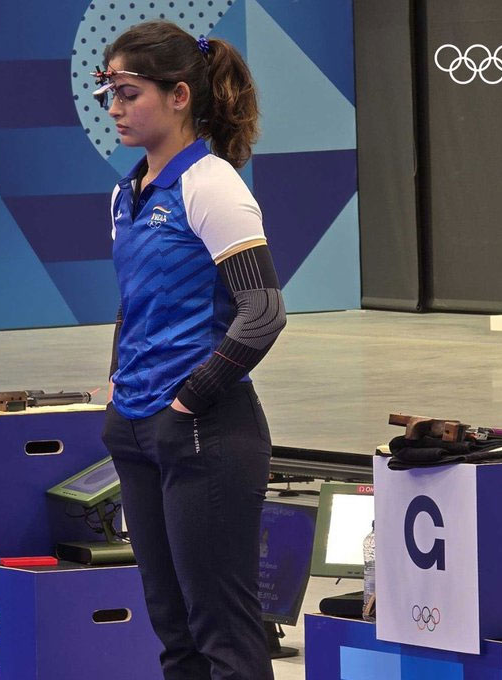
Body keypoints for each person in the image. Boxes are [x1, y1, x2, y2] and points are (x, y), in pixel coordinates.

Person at [98, 20, 285, 680]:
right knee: (175, 636)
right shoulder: (125, 195)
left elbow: (262, 313)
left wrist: (185, 402)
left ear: (179, 96)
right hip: (140, 431)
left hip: (205, 431)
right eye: (108, 92)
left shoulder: (213, 185)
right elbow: (135, 303)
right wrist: (120, 393)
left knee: (223, 637)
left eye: (128, 91)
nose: (115, 107)